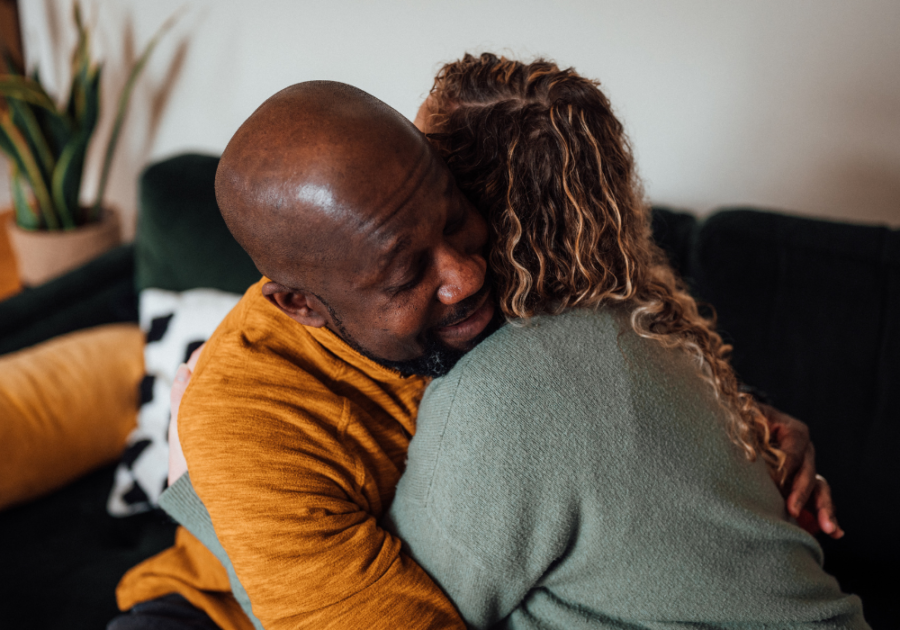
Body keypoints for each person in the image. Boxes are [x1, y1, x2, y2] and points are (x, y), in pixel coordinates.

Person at [109, 65, 843, 630]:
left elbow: (605, 388)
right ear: (303, 306)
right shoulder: (248, 421)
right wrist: (190, 472)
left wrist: (741, 419)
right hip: (211, 609)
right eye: (407, 274)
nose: (465, 274)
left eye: (456, 219)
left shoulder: (493, 291)